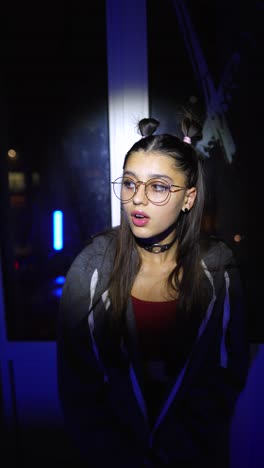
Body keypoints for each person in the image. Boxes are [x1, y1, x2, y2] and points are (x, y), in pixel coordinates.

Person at [56, 117, 249, 467]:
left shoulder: (218, 267)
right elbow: (77, 385)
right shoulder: (92, 266)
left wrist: (182, 448)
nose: (137, 200)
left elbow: (225, 372)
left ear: (188, 198)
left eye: (158, 187)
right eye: (129, 184)